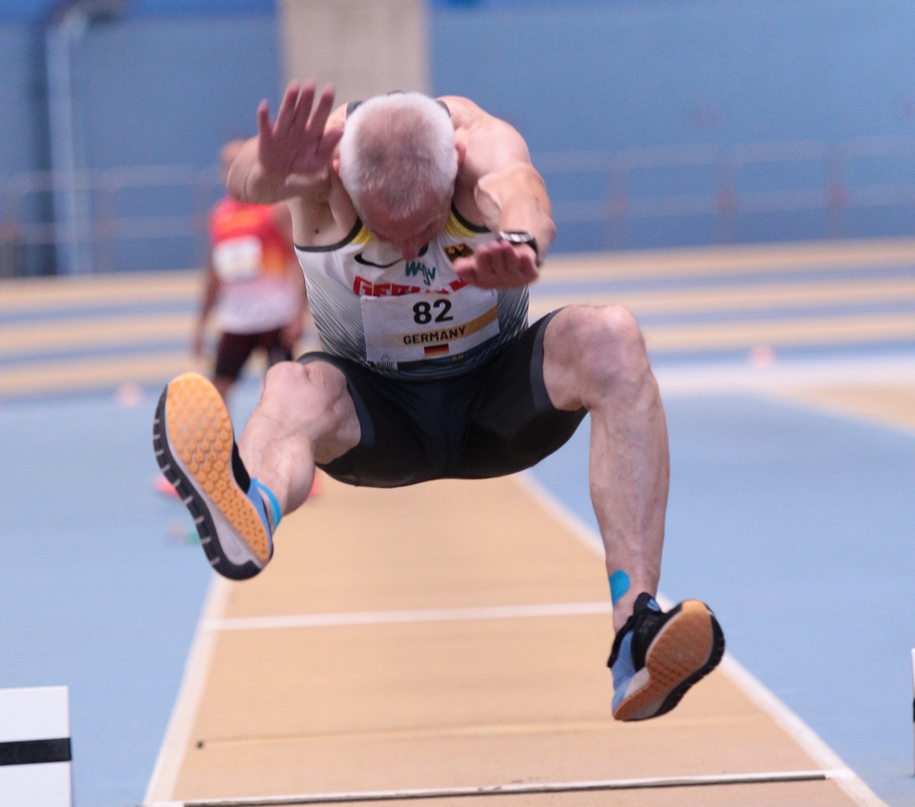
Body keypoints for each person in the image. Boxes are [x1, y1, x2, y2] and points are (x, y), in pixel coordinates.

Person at [155, 84, 724, 722]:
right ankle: (252, 510)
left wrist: (523, 241)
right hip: (376, 417)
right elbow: (245, 181)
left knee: (611, 334)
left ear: (454, 165)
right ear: (341, 175)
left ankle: (635, 630)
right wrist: (268, 167)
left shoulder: (482, 143)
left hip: (499, 405)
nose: (407, 251)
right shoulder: (321, 166)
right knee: (288, 384)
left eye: (425, 228)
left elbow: (523, 191)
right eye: (385, 233)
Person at [192, 140, 307, 401]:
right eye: (226, 165)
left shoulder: (274, 209)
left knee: (283, 393)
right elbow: (213, 274)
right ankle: (224, 431)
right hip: (236, 321)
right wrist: (201, 324)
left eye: (236, 163)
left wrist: (299, 314)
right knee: (218, 391)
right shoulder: (219, 215)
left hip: (275, 318)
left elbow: (297, 260)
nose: (231, 170)